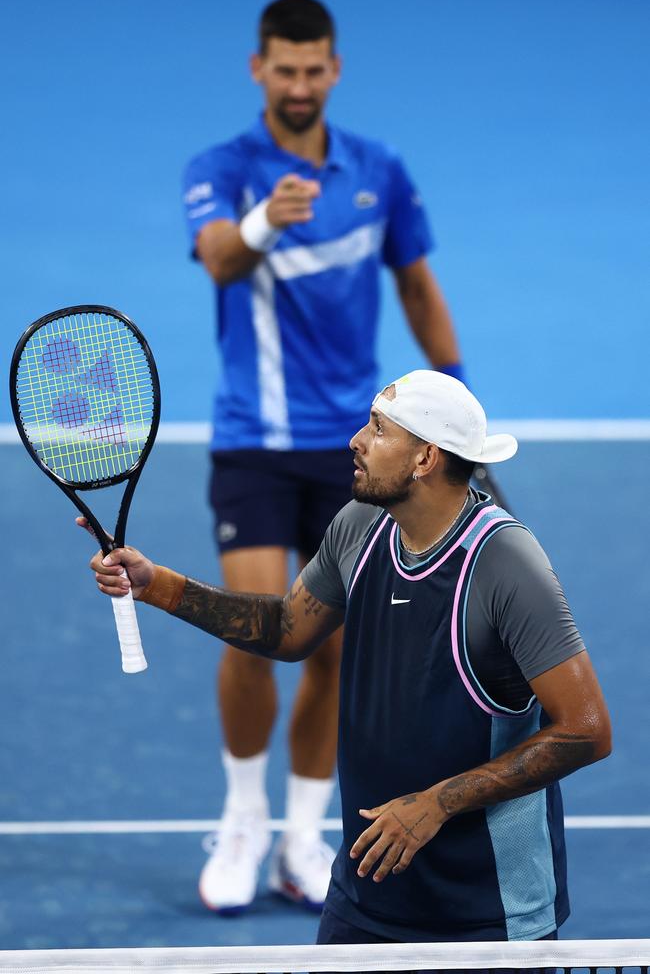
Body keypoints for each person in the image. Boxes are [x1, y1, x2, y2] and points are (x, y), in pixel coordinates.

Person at [82, 370, 611, 946]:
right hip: (365, 898)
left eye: (378, 430)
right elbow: (287, 630)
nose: (356, 440)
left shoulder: (505, 564)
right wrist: (156, 583)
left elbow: (586, 731)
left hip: (488, 913)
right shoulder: (359, 527)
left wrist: (438, 804)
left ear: (425, 458)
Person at [181, 0, 466, 912]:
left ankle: (303, 833)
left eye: (315, 70)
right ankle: (241, 820)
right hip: (254, 443)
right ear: (258, 69)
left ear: (333, 71)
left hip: (357, 449)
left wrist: (455, 403)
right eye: (284, 69)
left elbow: (417, 285)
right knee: (256, 628)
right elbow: (220, 257)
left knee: (333, 650)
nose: (300, 85)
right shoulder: (223, 169)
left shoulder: (378, 170)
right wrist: (266, 219)